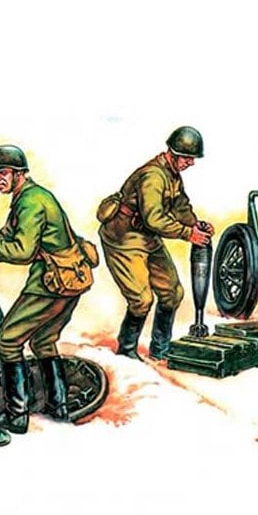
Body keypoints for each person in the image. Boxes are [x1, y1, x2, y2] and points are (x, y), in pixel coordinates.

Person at [0, 145, 86, 434]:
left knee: (6, 342)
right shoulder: (29, 196)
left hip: (52, 283)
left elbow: (22, 250)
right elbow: (9, 236)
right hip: (68, 278)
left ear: (20, 173)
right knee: (43, 342)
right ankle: (58, 407)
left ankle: (17, 417)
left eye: (2, 172)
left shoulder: (30, 201)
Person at [97, 127, 214, 361]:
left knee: (172, 293)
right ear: (174, 153)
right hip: (124, 239)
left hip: (148, 238)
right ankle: (127, 351)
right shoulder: (153, 176)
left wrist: (195, 224)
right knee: (141, 300)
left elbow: (180, 207)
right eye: (187, 158)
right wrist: (187, 233)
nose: (191, 163)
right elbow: (154, 218)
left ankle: (160, 349)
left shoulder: (172, 175)